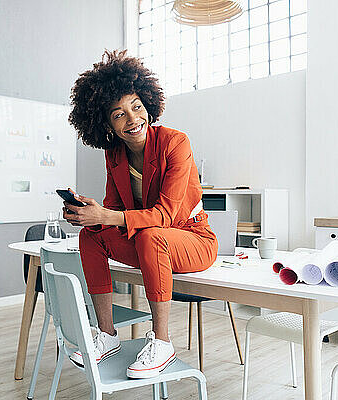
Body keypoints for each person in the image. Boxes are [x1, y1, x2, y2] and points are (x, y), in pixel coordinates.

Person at [62, 50, 218, 379]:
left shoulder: (176, 143)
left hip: (192, 240)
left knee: (152, 234)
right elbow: (113, 211)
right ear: (106, 124)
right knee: (91, 235)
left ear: (148, 103)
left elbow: (165, 215)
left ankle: (162, 341)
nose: (132, 119)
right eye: (118, 114)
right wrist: (91, 214)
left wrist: (106, 215)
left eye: (136, 106)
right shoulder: (114, 154)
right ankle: (107, 334)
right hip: (148, 240)